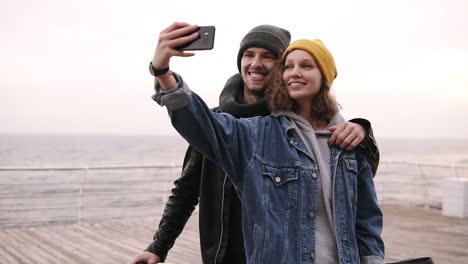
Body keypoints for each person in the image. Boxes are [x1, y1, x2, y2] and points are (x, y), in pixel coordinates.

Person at [130, 22, 381, 264]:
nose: (256, 63)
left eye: (269, 56)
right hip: (228, 253)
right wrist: (158, 246)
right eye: (248, 54)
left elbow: (362, 209)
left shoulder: (340, 137)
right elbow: (187, 186)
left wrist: (363, 130)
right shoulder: (246, 132)